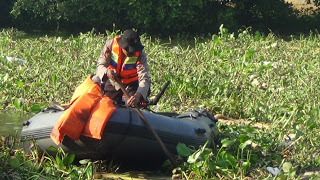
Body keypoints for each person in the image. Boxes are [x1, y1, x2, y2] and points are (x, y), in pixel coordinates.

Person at [91, 29, 150, 107]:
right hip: (114, 81)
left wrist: (137, 96)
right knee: (108, 104)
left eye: (133, 50)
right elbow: (101, 65)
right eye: (129, 51)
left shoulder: (140, 54)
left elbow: (144, 78)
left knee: (131, 104)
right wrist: (107, 72)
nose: (132, 53)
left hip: (133, 83)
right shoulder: (110, 46)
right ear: (123, 46)